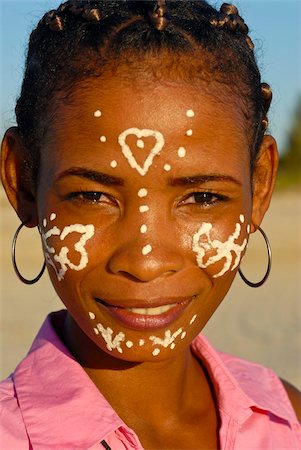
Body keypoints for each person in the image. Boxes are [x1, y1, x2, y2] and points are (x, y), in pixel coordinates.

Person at [1, 1, 300, 448]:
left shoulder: (286, 419)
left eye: (202, 197)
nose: (145, 263)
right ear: (24, 183)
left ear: (258, 189)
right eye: (92, 196)